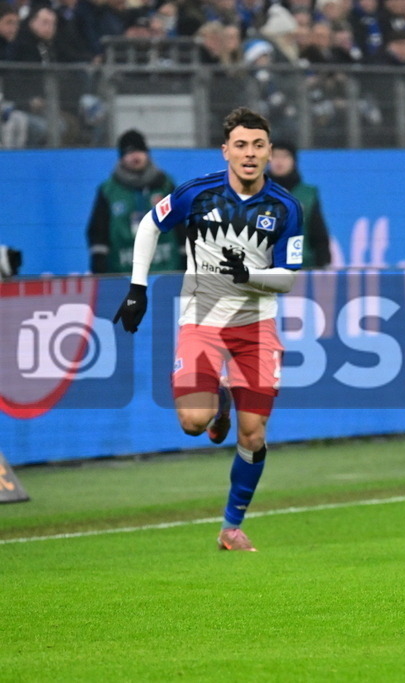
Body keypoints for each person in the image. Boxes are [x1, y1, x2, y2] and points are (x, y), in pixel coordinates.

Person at [113, 108, 304, 552]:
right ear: (226, 151)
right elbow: (149, 225)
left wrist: (248, 277)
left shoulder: (285, 207)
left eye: (258, 145)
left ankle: (231, 527)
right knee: (193, 423)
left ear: (270, 152)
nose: (250, 153)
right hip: (203, 320)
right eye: (241, 145)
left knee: (253, 434)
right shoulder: (196, 193)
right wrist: (137, 288)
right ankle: (216, 403)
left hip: (256, 327)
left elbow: (289, 276)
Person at [87, 129, 180, 274]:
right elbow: (98, 231)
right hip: (122, 272)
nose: (135, 156)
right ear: (121, 158)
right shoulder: (109, 191)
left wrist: (187, 259)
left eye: (139, 151)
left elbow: (183, 224)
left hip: (166, 270)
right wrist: (99, 264)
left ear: (147, 154)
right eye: (129, 153)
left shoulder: (165, 185)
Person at [267, 140, 332, 268]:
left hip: (303, 265)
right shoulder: (256, 192)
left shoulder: (307, 194)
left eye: (285, 156)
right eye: (274, 156)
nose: (279, 161)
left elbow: (317, 230)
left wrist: (323, 259)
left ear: (294, 161)